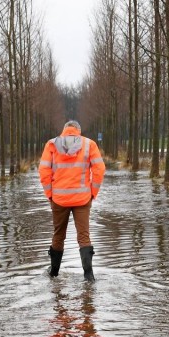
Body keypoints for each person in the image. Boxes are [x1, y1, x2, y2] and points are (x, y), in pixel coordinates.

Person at [39, 120, 106, 281]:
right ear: (78, 131)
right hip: (82, 199)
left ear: (64, 130)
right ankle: (89, 276)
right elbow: (99, 169)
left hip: (59, 199)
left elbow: (43, 170)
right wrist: (92, 193)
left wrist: (50, 194)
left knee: (58, 235)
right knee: (84, 236)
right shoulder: (89, 144)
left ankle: (54, 273)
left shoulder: (51, 144)